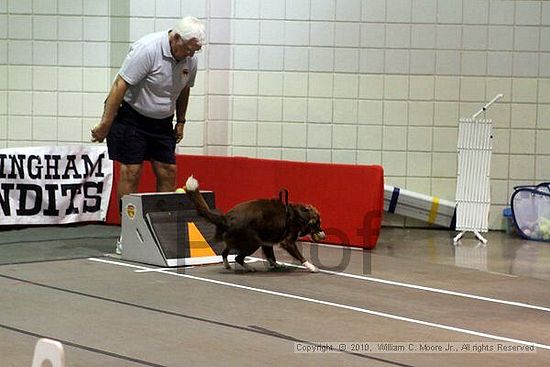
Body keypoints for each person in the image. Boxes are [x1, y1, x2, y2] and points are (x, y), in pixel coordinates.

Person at [91, 16, 206, 254]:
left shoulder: (188, 58)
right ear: (175, 38)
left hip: (162, 122)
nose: (191, 55)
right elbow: (119, 86)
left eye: (195, 51)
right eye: (188, 48)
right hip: (131, 118)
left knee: (169, 170)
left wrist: (181, 121)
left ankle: (160, 233)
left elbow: (184, 90)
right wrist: (105, 124)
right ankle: (128, 234)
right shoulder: (147, 49)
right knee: (131, 171)